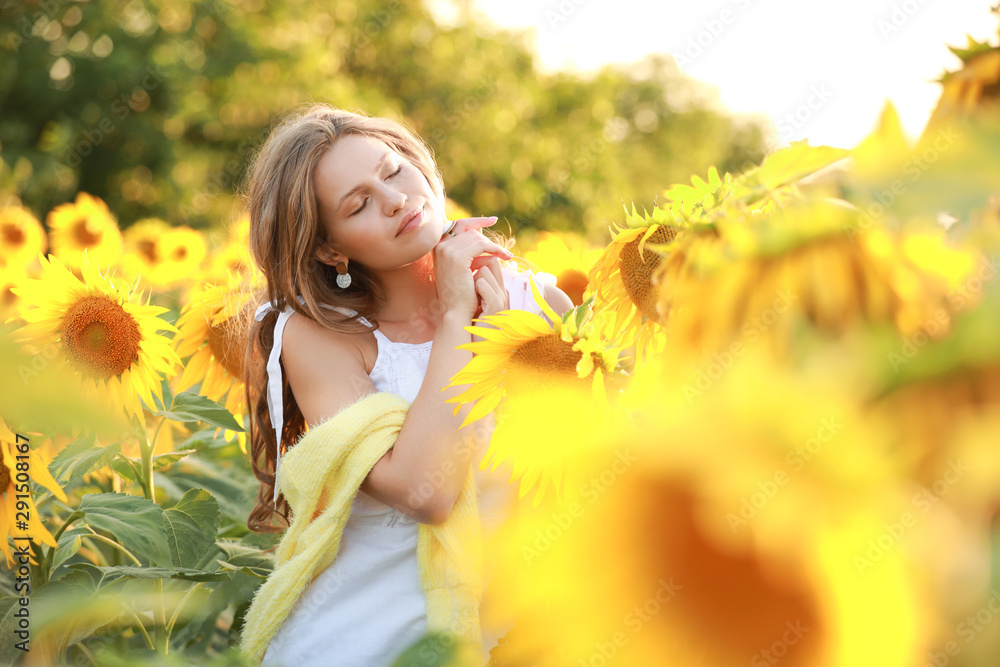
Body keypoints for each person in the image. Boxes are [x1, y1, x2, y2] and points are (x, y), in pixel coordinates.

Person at [240, 104, 573, 666]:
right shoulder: (323, 340)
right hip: (363, 643)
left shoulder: (537, 305)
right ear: (330, 249)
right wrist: (459, 324)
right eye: (359, 203)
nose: (394, 199)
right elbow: (427, 491)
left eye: (393, 171)